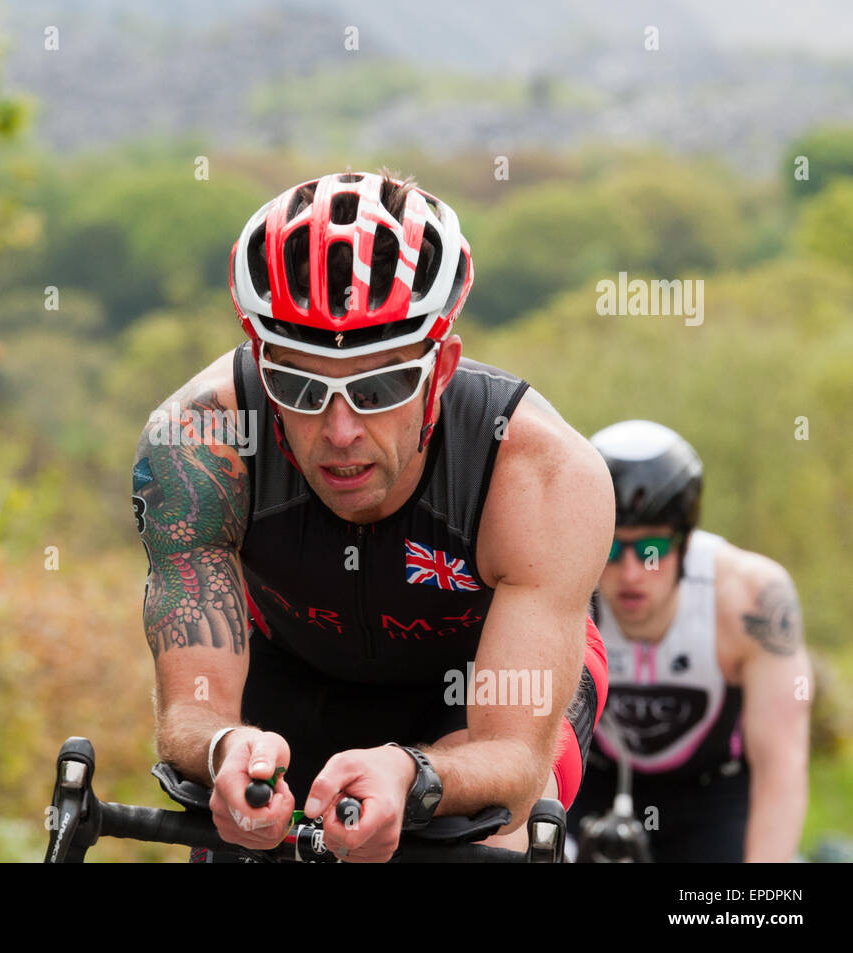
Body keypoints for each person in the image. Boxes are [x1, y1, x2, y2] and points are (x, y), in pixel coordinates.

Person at [131, 170, 613, 862]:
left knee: (495, 827)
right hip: (292, 667)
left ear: (441, 366)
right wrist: (225, 747)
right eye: (298, 386)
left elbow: (512, 755)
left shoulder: (543, 475)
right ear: (262, 365)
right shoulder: (198, 446)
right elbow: (191, 712)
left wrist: (414, 776)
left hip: (479, 685)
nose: (340, 430)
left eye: (380, 385)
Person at [568, 420, 812, 862]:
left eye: (651, 550)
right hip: (593, 783)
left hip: (712, 794)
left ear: (684, 541)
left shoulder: (751, 598)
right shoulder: (561, 581)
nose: (630, 574)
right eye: (609, 548)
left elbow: (781, 764)